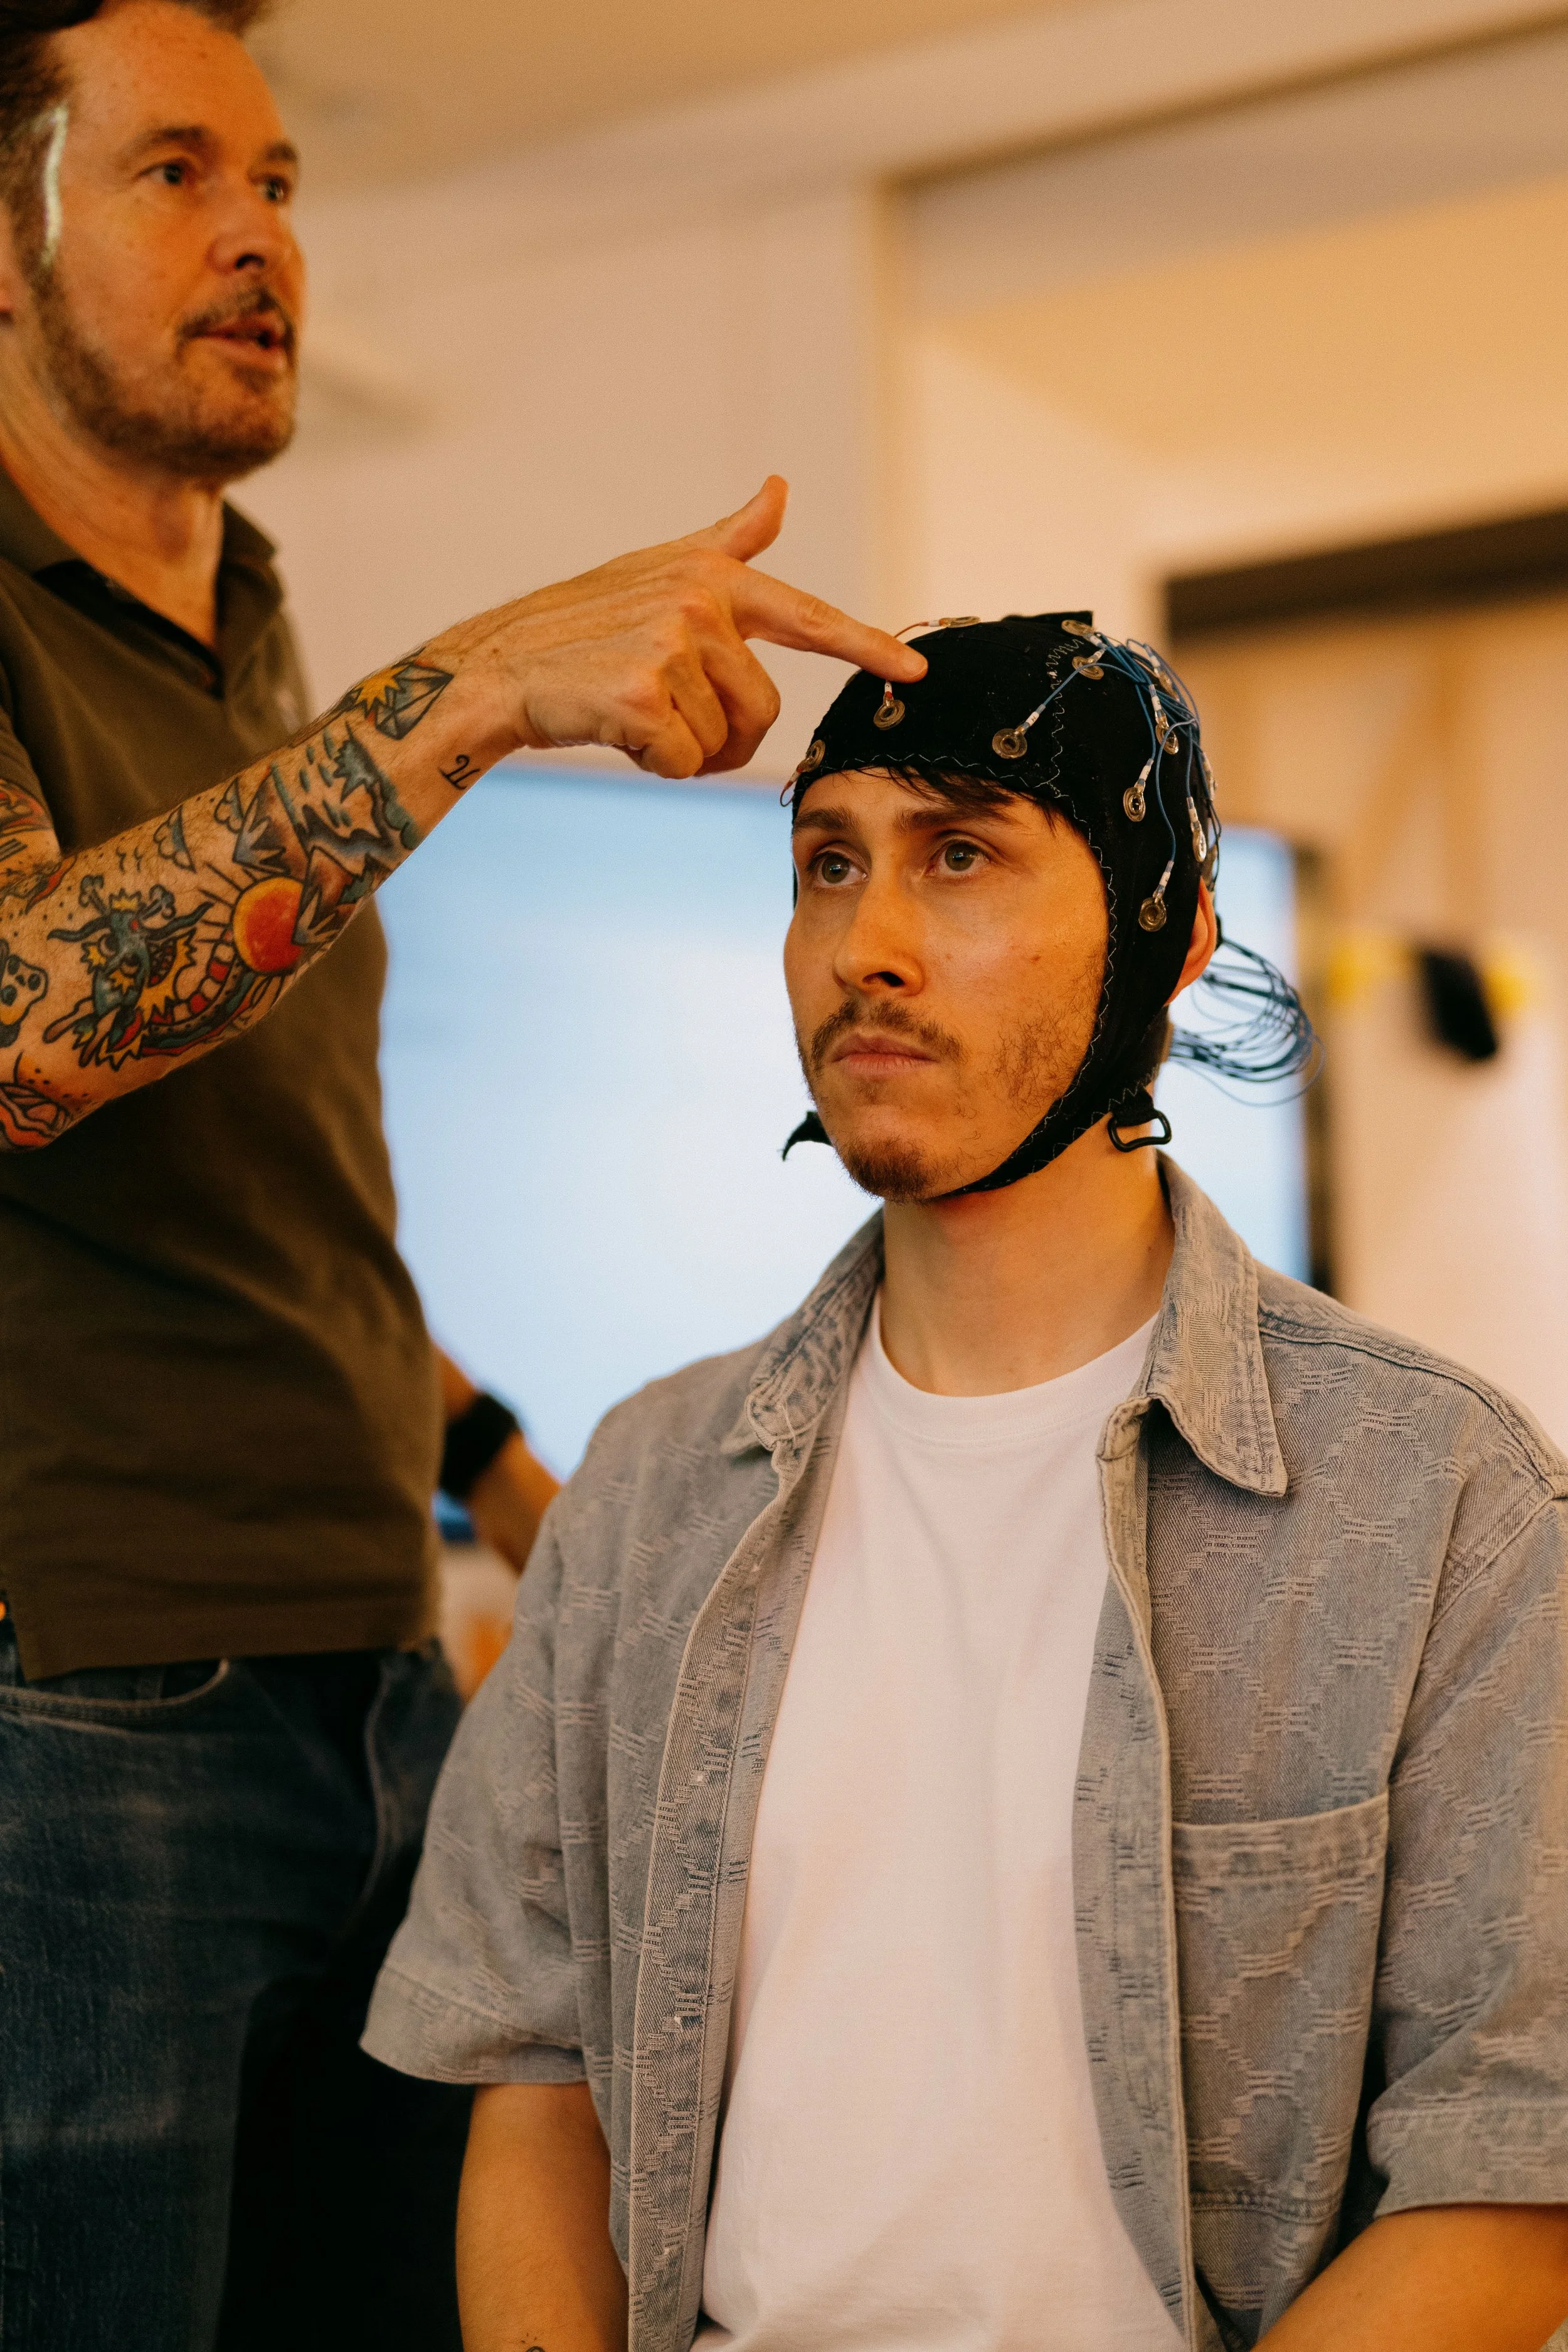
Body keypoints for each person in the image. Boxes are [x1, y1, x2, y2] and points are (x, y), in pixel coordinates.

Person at [0, 1, 925, 2346]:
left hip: (380, 1694)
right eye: (175, 172)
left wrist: (523, 1495)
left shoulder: (243, 638)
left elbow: (261, 1210)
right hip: (73, 1718)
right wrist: (478, 691)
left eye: (285, 182)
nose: (257, 235)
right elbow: (21, 1022)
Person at [365, 612, 1568, 2352]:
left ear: (1167, 936)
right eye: (827, 861)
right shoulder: (647, 1487)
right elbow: (535, 2074)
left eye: (959, 855)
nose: (868, 943)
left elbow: (1512, 2159)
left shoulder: (1436, 1493)